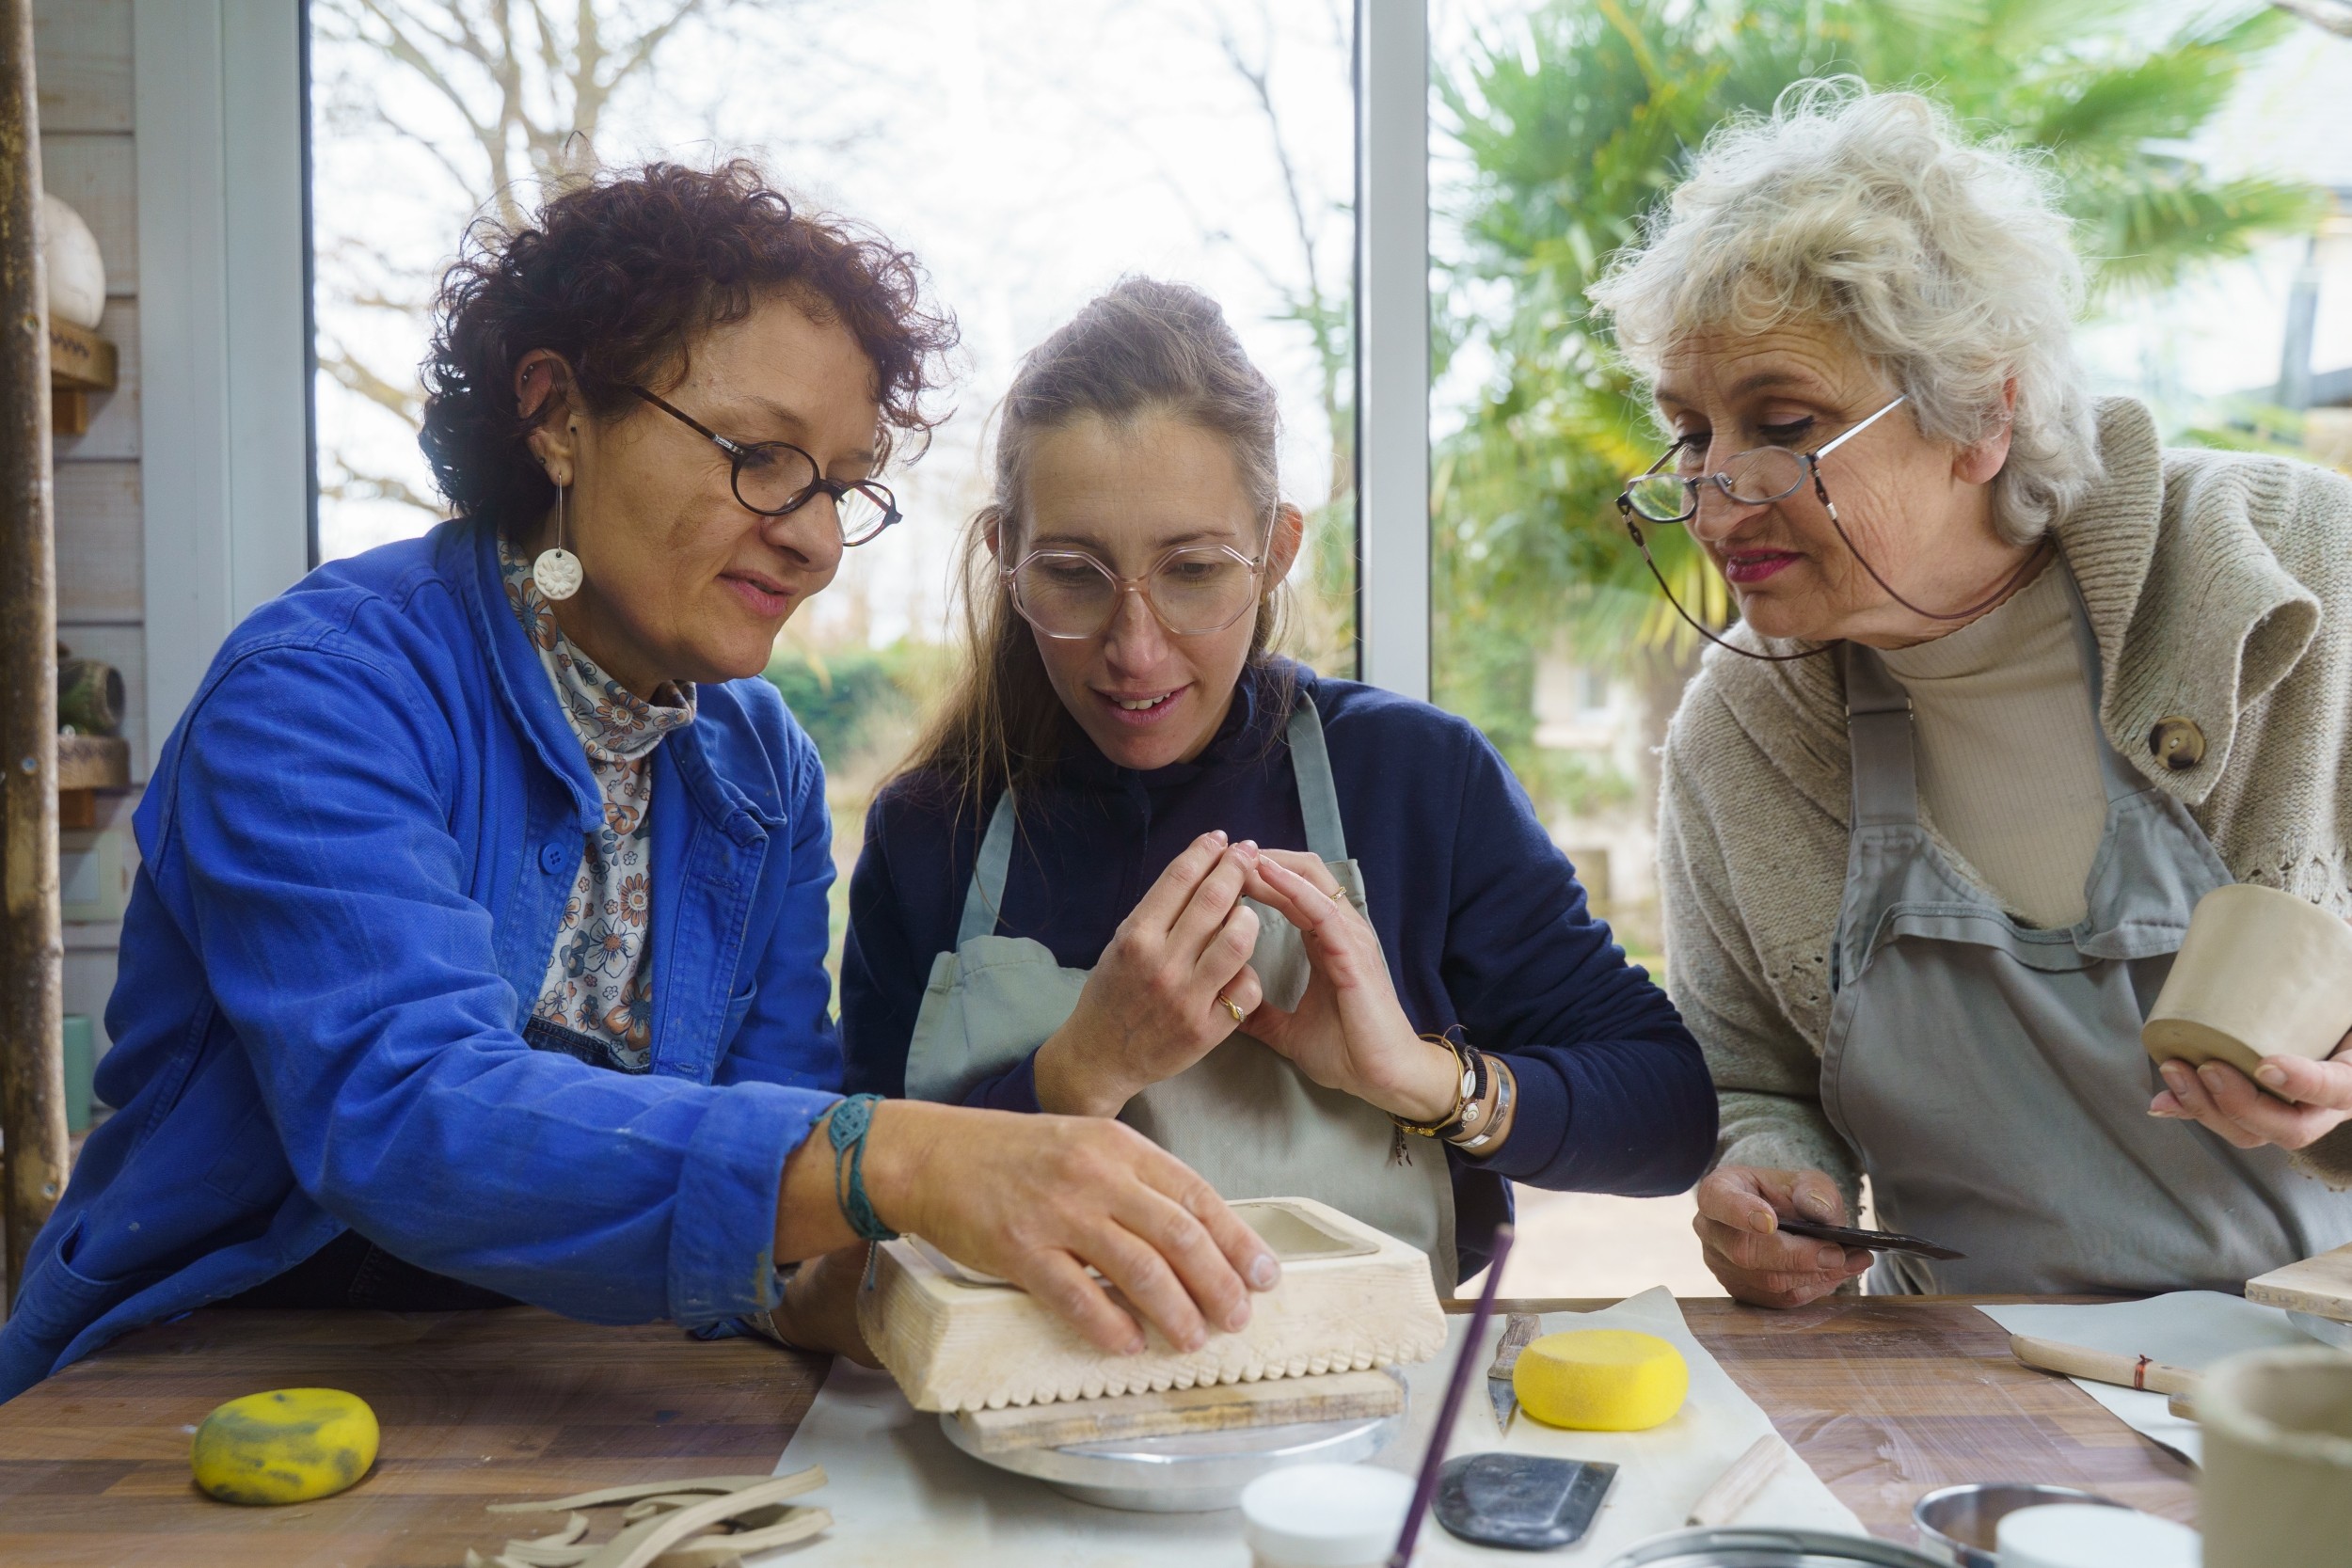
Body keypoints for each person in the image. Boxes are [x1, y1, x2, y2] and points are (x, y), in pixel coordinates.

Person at [0, 166, 1279, 1403]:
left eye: (839, 483)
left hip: (567, 1388)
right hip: (194, 1384)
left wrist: (942, 1315)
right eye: (764, 456)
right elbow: (404, 1109)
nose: (816, 534)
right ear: (559, 414)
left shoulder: (758, 767)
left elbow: (780, 1187)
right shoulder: (323, 690)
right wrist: (913, 1154)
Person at [1581, 84, 2352, 1305]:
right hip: (1953, 1396)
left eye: (1783, 421)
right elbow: (1749, 1076)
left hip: (2300, 1394)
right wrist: (1771, 1176)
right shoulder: (1740, 724)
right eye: (1689, 433)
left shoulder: (2290, 566)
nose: (1717, 494)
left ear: (1985, 408)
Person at [839, 278, 1716, 1297]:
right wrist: (1077, 1071)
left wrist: (1419, 1076)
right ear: (1007, 560)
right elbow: (846, 1227)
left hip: (1372, 1423)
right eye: (1074, 573)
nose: (1134, 648)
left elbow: (1670, 1115)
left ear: (1275, 554)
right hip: (1010, 1414)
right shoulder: (927, 830)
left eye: (1194, 570)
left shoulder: (1415, 780)